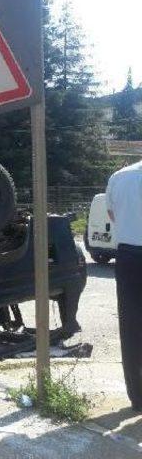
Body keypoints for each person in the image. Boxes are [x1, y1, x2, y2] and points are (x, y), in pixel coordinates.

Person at [106, 159, 142, 410]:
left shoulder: (119, 177)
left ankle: (138, 397)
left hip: (128, 256)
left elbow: (112, 215)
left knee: (131, 327)